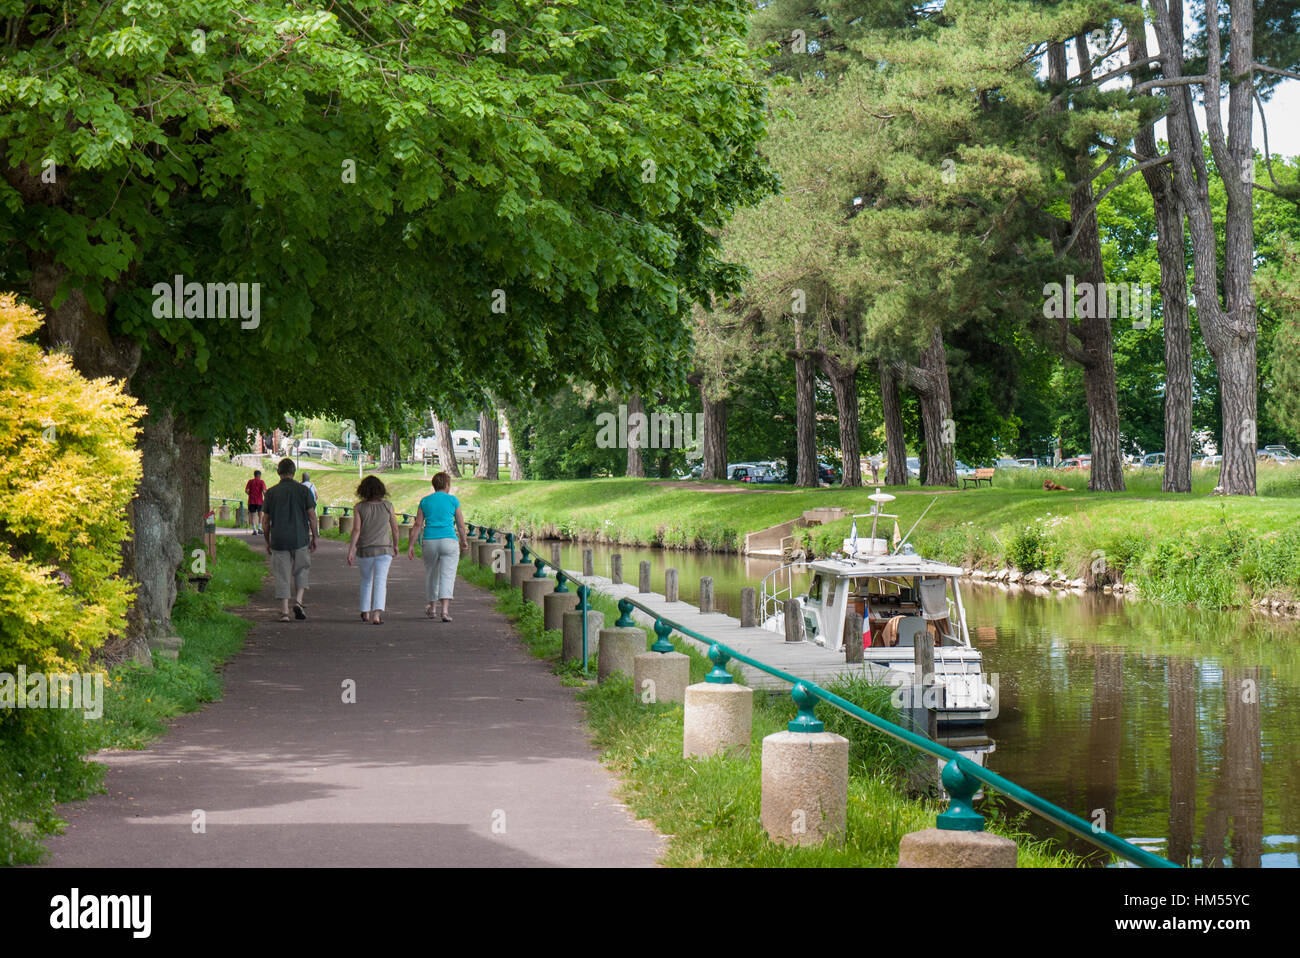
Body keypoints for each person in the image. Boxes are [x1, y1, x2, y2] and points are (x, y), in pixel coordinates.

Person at [263, 458, 318, 622]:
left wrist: (267, 540)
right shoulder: (303, 491)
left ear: (278, 472)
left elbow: (265, 520)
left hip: (279, 539)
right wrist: (315, 536)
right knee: (301, 570)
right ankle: (299, 602)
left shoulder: (271, 493)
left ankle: (285, 611)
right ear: (294, 472)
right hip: (300, 538)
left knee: (282, 574)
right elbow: (312, 516)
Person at [408, 471, 469, 622]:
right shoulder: (453, 500)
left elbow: (417, 525)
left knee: (432, 574)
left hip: (430, 541)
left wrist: (411, 544)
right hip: (449, 540)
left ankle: (432, 608)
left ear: (434, 485)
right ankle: (445, 611)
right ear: (447, 485)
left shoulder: (425, 501)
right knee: (448, 575)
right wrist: (464, 540)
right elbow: (461, 525)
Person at [347, 475, 398, 625]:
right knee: (381, 581)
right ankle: (377, 614)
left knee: (366, 580)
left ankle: (365, 612)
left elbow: (356, 530)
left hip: (364, 550)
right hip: (384, 549)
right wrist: (395, 545)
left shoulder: (359, 507)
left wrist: (351, 550)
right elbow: (395, 528)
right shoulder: (388, 506)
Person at [244, 469, 267, 534]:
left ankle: (254, 530)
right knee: (260, 515)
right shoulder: (262, 482)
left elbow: (246, 490)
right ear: (259, 475)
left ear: (254, 475)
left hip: (251, 501)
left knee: (252, 515)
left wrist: (250, 494)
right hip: (259, 501)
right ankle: (259, 528)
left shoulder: (250, 481)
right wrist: (266, 497)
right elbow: (264, 491)